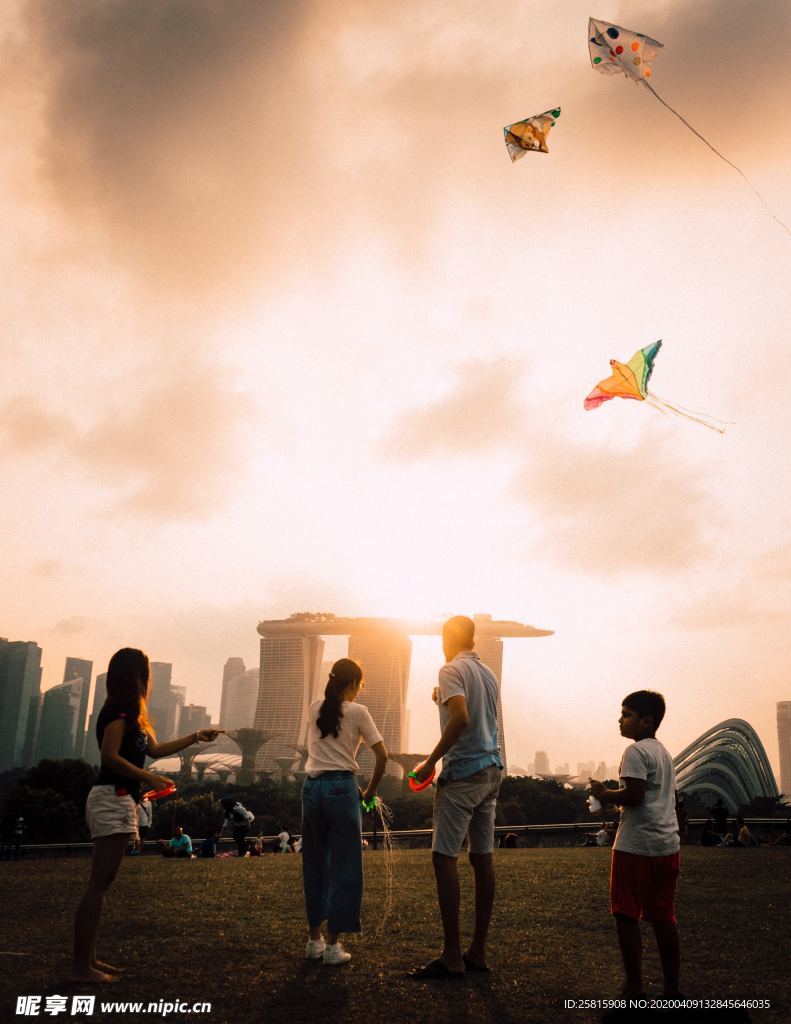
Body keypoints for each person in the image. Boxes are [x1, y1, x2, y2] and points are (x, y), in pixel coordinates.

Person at [72, 647, 222, 983]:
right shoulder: (119, 710)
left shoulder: (135, 715)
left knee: (103, 883)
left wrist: (196, 736)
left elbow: (155, 750)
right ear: (138, 676)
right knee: (98, 883)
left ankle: (89, 961)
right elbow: (109, 757)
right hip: (110, 797)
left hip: (121, 799)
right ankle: (81, 967)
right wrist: (148, 778)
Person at [409, 615, 503, 980]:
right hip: (492, 769)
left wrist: (431, 761)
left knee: (443, 857)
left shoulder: (449, 669)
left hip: (463, 773)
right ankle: (477, 950)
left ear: (446, 639)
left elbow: (462, 718)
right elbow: (474, 713)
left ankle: (452, 955)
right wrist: (443, 701)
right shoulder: (487, 673)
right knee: (482, 858)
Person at [590, 690, 681, 998]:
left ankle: (634, 986)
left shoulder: (635, 751)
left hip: (636, 846)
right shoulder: (664, 753)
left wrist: (604, 793)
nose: (620, 719)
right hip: (667, 846)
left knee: (626, 914)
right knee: (664, 918)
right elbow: (654, 797)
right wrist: (613, 801)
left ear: (646, 722)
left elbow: (635, 795)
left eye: (626, 714)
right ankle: (672, 989)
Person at [301, 657, 387, 966]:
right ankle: (333, 945)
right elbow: (382, 756)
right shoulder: (358, 712)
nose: (360, 690)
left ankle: (314, 940)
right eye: (360, 685)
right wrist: (370, 792)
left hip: (311, 788)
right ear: (352, 684)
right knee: (345, 866)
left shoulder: (315, 707)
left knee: (314, 863)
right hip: (341, 789)